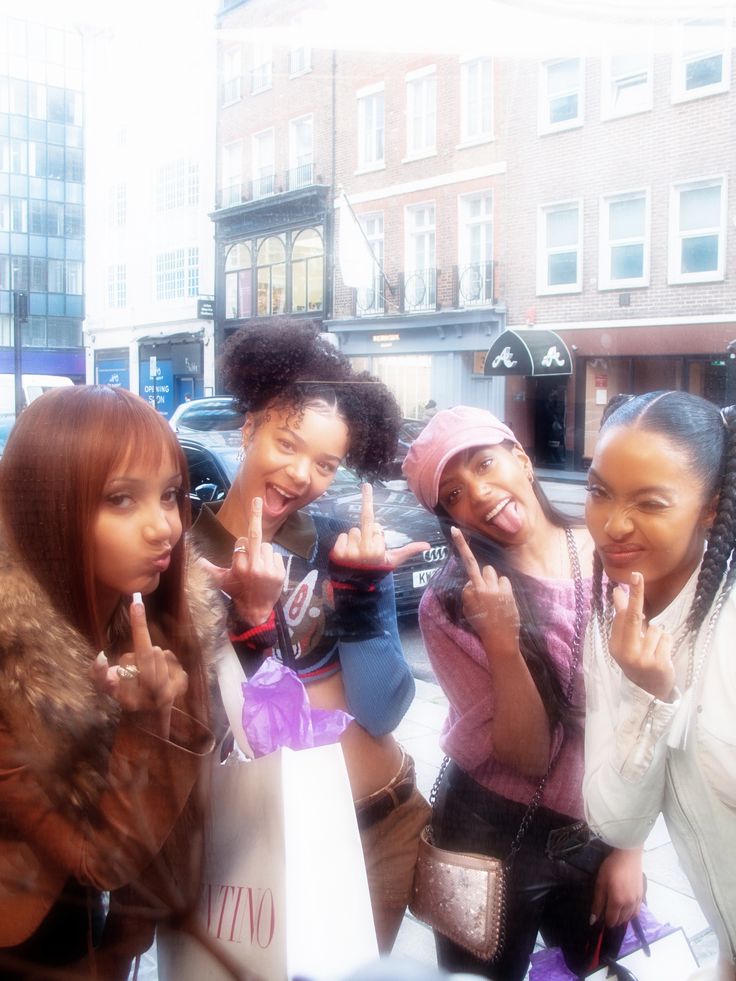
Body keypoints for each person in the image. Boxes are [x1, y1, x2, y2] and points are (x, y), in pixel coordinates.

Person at [192, 320, 431, 952]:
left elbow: (383, 708)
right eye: (287, 443)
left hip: (383, 822)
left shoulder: (334, 546)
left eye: (326, 464)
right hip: (269, 840)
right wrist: (252, 621)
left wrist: (361, 595)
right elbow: (250, 733)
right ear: (250, 427)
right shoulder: (185, 559)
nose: (302, 475)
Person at [402, 405, 642, 981]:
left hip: (597, 828)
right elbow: (528, 756)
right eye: (454, 493)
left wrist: (629, 846)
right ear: (448, 517)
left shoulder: (616, 557)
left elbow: (649, 712)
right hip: (485, 832)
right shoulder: (452, 603)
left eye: (487, 464)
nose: (481, 494)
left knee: (600, 971)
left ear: (521, 457)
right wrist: (503, 644)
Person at [0, 385, 219, 980]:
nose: (163, 528)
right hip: (29, 936)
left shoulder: (154, 619)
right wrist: (147, 722)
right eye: (121, 499)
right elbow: (100, 859)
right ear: (48, 507)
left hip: (111, 935)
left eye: (171, 495)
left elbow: (182, 816)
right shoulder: (12, 657)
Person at [583, 391, 736, 979]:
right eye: (599, 492)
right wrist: (645, 693)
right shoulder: (616, 626)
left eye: (650, 502)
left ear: (710, 508)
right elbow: (616, 823)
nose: (613, 525)